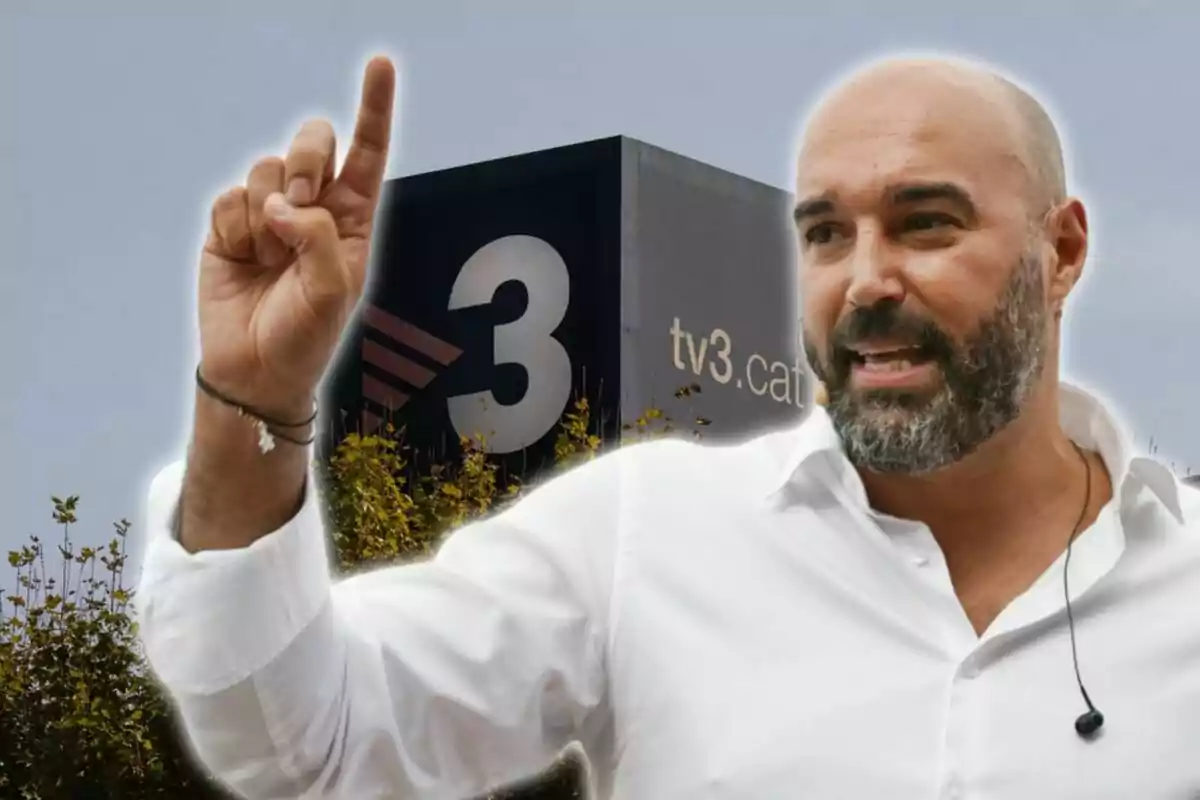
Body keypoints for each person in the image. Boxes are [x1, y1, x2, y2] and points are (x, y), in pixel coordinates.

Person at [136, 54, 1200, 799]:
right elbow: (298, 740)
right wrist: (251, 401)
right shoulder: (644, 536)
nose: (867, 279)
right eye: (826, 233)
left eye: (927, 222)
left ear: (1061, 253)